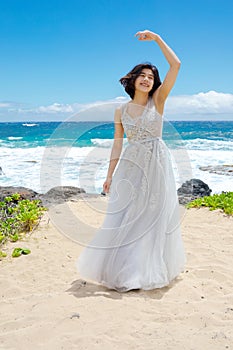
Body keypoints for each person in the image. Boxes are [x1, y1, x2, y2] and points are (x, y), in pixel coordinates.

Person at [77, 30, 186, 292]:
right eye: (143, 76)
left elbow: (177, 64)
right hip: (131, 164)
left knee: (152, 215)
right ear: (133, 80)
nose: (147, 80)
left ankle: (146, 269)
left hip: (156, 164)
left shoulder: (158, 101)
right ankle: (124, 268)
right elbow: (118, 143)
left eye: (151, 77)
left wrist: (157, 39)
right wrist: (109, 175)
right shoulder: (121, 110)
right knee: (128, 216)